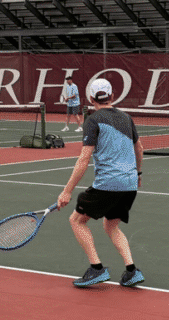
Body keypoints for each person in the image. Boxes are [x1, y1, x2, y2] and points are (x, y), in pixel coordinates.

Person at [56, 78, 145, 288]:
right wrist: (138, 174)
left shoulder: (93, 120)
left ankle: (96, 269)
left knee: (77, 220)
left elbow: (84, 159)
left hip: (109, 183)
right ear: (112, 96)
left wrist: (66, 192)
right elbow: (139, 149)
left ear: (90, 98)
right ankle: (131, 271)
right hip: (130, 183)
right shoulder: (126, 118)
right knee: (111, 225)